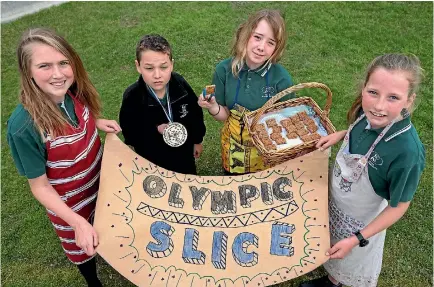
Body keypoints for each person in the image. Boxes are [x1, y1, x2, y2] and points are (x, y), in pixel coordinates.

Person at [7, 28, 122, 286]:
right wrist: (76, 222)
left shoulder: (73, 90)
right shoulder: (24, 127)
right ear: (28, 72)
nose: (58, 74)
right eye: (45, 66)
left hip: (100, 182)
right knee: (82, 246)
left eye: (63, 63)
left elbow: (80, 117)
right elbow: (40, 186)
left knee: (107, 224)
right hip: (70, 205)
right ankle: (93, 281)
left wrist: (97, 121)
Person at [300, 54, 426, 287]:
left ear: (409, 100)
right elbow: (357, 129)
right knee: (331, 242)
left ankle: (338, 282)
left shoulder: (407, 152)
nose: (378, 106)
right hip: (337, 203)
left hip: (361, 226)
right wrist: (341, 135)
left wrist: (357, 238)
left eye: (393, 98)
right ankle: (332, 278)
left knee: (350, 260)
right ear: (364, 87)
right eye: (373, 92)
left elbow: (399, 206)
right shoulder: (365, 112)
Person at [198, 9, 295, 175]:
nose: (261, 47)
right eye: (257, 37)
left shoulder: (282, 79)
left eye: (270, 42)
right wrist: (213, 106)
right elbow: (224, 115)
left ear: (276, 49)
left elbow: (287, 121)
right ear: (245, 34)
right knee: (233, 184)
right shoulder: (224, 70)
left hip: (265, 147)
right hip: (233, 143)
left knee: (260, 188)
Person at [119, 34, 206, 175]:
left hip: (183, 154)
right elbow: (130, 132)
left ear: (171, 64)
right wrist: (155, 130)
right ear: (138, 66)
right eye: (149, 68)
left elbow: (195, 113)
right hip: (152, 158)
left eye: (163, 67)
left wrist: (197, 140)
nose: (157, 75)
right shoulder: (132, 96)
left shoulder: (180, 84)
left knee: (186, 186)